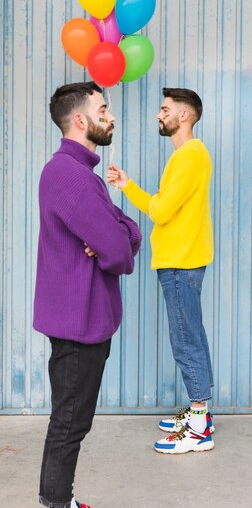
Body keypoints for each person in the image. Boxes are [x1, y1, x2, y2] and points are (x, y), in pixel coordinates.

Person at [33, 81, 142, 508]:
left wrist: (118, 233)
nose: (110, 116)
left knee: (74, 420)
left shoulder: (83, 174)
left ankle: (65, 507)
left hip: (87, 319)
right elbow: (120, 250)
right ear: (81, 120)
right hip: (77, 323)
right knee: (68, 424)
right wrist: (117, 237)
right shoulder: (68, 176)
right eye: (104, 109)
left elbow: (127, 234)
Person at [107, 87, 215, 455]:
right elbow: (166, 205)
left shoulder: (190, 155)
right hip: (181, 260)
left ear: (184, 115)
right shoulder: (187, 156)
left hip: (180, 262)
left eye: (165, 109)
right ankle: (200, 413)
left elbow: (161, 210)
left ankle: (199, 426)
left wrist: (129, 188)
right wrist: (128, 186)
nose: (159, 115)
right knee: (192, 335)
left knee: (185, 339)